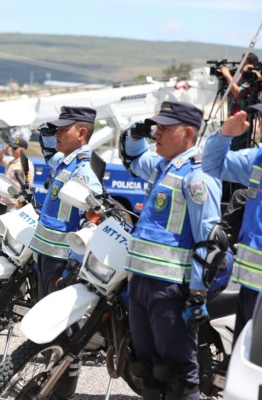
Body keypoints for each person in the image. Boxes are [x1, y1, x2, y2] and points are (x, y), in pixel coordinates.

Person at [120, 101, 222, 399]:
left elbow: (209, 239)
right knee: (146, 370)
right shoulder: (162, 165)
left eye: (165, 128)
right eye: (156, 127)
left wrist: (198, 293)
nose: (156, 134)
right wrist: (135, 133)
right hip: (140, 282)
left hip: (171, 289)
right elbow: (133, 157)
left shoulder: (198, 176)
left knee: (176, 374)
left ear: (188, 133)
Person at [201, 104, 262, 345]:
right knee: (243, 362)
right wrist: (224, 135)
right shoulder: (258, 157)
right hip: (250, 284)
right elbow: (212, 165)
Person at [30, 107, 102, 300]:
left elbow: (90, 224)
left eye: (63, 130)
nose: (57, 134)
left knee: (57, 326)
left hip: (62, 260)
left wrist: (74, 264)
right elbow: (49, 155)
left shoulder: (83, 171)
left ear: (82, 133)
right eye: (57, 130)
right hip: (48, 253)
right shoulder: (66, 163)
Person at [0, 137, 35, 209]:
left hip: (15, 204)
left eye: (15, 148)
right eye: (12, 147)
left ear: (23, 149)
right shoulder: (10, 160)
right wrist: (3, 151)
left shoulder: (26, 163)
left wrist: (21, 202)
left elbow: (28, 186)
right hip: (4, 201)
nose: (12, 150)